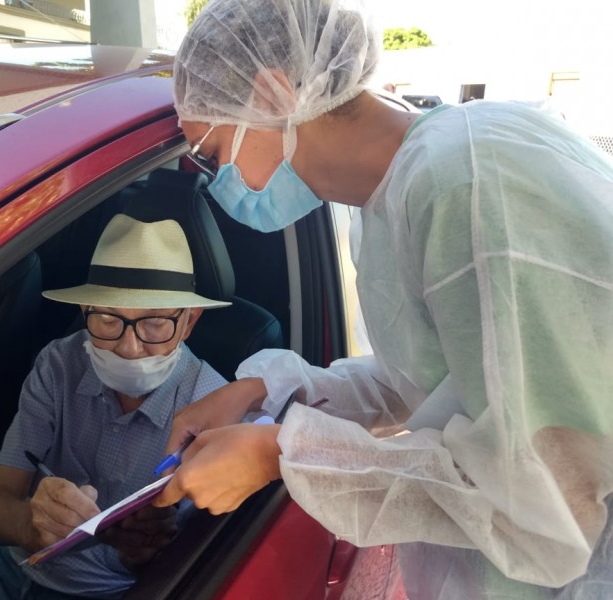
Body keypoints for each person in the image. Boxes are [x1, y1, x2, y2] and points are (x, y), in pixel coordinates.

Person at [153, 0, 613, 598]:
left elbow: (545, 499)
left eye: (210, 154)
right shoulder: (400, 192)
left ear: (271, 94)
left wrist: (286, 457)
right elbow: (437, 382)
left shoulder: (467, 185)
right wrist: (265, 390)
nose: (219, 183)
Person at [0, 214, 230, 599]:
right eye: (107, 320)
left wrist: (143, 554)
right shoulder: (59, 364)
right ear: (85, 310)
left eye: (155, 324)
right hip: (6, 569)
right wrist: (29, 525)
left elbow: (196, 570)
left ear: (188, 323)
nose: (129, 347)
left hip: (108, 592)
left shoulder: (216, 409)